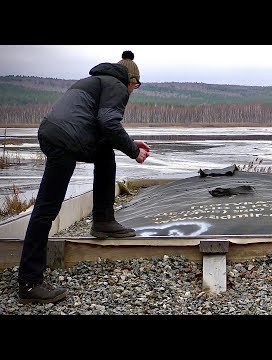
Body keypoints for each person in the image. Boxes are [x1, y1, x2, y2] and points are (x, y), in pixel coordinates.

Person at [17, 50, 150, 304]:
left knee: (104, 155)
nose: (134, 91)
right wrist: (134, 151)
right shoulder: (118, 85)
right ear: (131, 81)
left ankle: (103, 221)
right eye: (136, 86)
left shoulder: (95, 81)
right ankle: (30, 282)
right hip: (65, 140)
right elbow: (109, 123)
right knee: (47, 208)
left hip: (56, 132)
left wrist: (129, 143)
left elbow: (100, 127)